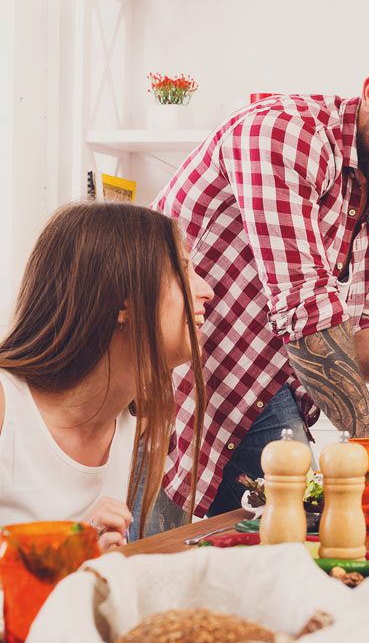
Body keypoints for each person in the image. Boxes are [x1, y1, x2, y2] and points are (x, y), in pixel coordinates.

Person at [149, 29, 369, 531]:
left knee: (289, 553)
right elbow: (307, 317)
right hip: (175, 383)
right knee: (154, 566)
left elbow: (358, 327)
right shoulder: (283, 136)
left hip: (266, 389)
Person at [0, 203, 213, 551]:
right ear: (124, 300)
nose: (205, 290)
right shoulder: (5, 405)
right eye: (183, 270)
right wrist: (69, 551)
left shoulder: (134, 424)